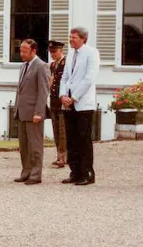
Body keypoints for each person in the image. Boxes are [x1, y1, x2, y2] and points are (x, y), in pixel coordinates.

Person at [58, 27, 100, 186]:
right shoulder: (70, 55)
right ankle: (74, 171)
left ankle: (87, 173)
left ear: (83, 38)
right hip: (68, 103)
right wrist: (63, 95)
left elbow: (89, 78)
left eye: (74, 37)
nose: (71, 40)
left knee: (84, 139)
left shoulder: (91, 53)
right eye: (70, 37)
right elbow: (64, 77)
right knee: (71, 139)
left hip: (82, 104)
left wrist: (74, 97)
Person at [13, 39, 50, 185]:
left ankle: (36, 174)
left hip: (34, 112)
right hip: (22, 111)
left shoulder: (41, 66)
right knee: (24, 145)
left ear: (33, 51)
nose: (21, 53)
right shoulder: (23, 66)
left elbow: (43, 91)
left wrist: (39, 112)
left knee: (35, 145)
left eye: (24, 51)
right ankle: (26, 171)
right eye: (20, 50)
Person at [47, 40, 68, 168]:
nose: (52, 54)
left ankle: (63, 157)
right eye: (51, 52)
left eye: (54, 51)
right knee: (56, 130)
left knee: (63, 130)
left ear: (61, 51)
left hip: (62, 102)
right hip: (54, 101)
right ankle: (59, 155)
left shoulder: (66, 64)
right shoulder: (52, 65)